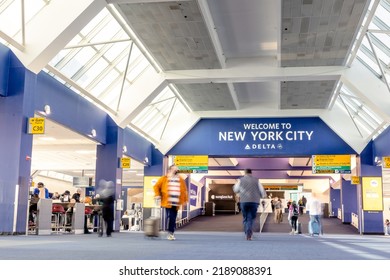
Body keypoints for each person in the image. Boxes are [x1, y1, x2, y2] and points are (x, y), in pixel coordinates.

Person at [154, 164, 188, 241]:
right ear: (170, 170)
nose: (175, 170)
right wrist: (157, 195)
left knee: (172, 218)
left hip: (176, 203)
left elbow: (184, 190)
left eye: (176, 169)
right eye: (174, 169)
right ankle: (170, 233)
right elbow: (156, 186)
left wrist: (185, 200)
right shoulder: (164, 178)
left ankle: (171, 233)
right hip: (167, 202)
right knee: (170, 217)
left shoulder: (180, 180)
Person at [233, 169, 266, 241]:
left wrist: (240, 192)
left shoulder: (240, 180)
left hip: (244, 201)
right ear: (251, 173)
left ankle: (247, 233)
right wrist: (262, 196)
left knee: (245, 218)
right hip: (254, 202)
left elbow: (235, 189)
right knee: (251, 218)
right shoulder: (256, 180)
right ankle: (249, 233)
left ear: (244, 173)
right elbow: (262, 191)